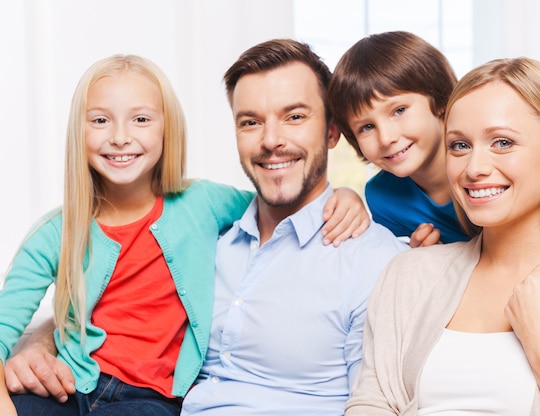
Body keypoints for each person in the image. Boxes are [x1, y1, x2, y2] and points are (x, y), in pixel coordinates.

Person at [0, 54, 369, 416]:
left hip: (151, 399)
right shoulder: (55, 233)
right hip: (69, 387)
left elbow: (278, 202)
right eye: (100, 120)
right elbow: (4, 328)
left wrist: (343, 197)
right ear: (78, 133)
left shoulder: (202, 203)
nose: (120, 137)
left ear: (167, 129)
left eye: (141, 119)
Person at [345, 57, 540, 415]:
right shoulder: (407, 275)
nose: (475, 169)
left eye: (503, 143)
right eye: (459, 146)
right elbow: (372, 403)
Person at [327, 30, 540, 329]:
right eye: (366, 126)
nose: (387, 137)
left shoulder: (518, 175)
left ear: (441, 102)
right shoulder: (383, 197)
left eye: (399, 110)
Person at [179, 39, 407, 416]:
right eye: (250, 122)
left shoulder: (373, 260)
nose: (271, 141)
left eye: (295, 117)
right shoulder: (209, 238)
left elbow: (376, 403)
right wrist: (44, 339)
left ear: (332, 131)